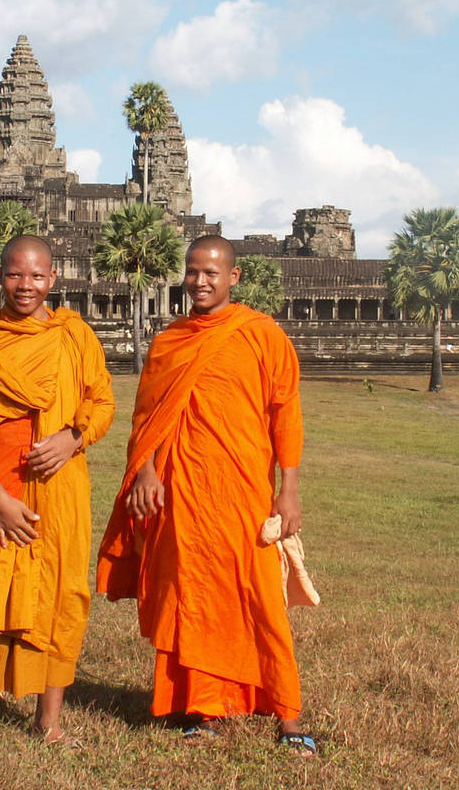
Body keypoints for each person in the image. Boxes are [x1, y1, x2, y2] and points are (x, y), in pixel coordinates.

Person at [97, 235, 315, 755]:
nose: (200, 281)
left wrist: (289, 490)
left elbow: (285, 413)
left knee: (258, 596)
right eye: (192, 272)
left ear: (233, 278)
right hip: (182, 491)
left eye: (212, 273)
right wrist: (146, 470)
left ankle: (287, 713)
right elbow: (147, 416)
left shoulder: (262, 336)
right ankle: (201, 707)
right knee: (191, 593)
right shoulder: (170, 341)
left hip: (243, 491)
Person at [0, 234, 115, 747]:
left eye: (36, 276)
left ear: (53, 279)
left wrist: (73, 437)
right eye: (14, 274)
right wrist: (1, 500)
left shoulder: (75, 336)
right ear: (0, 278)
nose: (25, 286)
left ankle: (48, 720)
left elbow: (102, 403)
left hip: (62, 492)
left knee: (62, 598)